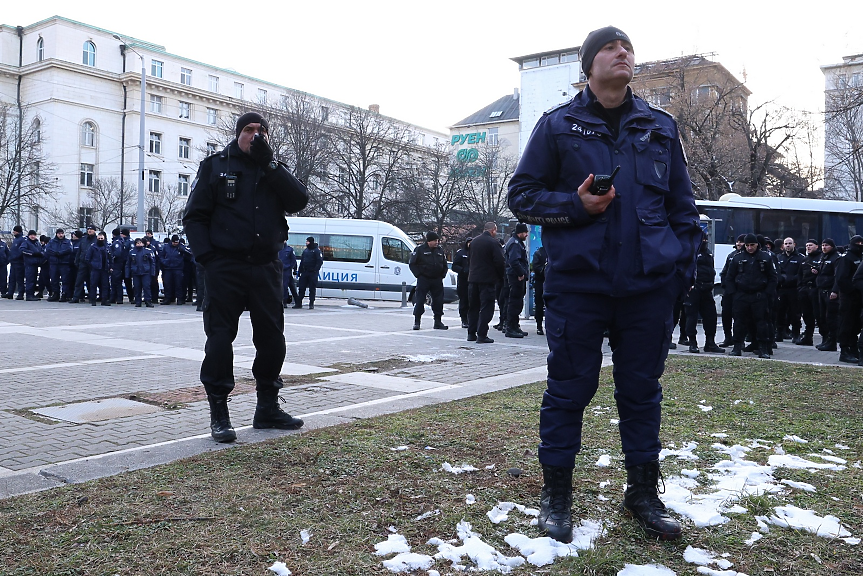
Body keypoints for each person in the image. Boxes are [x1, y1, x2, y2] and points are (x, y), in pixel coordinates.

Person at [507, 26, 701, 542]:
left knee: (641, 393)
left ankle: (642, 493)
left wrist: (677, 271)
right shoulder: (558, 126)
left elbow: (684, 210)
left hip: (647, 289)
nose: (623, 53)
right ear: (589, 65)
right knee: (569, 391)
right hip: (579, 286)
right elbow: (521, 196)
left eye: (628, 48)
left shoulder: (660, 127)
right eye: (611, 48)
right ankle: (557, 497)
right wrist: (575, 205)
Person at [183, 111, 308, 443]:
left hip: (266, 266)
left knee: (272, 340)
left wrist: (270, 165)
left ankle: (267, 408)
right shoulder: (215, 166)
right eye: (249, 130)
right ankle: (220, 415)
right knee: (221, 342)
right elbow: (194, 217)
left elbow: (299, 200)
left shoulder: (272, 168)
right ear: (238, 133)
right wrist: (207, 258)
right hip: (225, 267)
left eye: (261, 130)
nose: (255, 135)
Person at [726, 233, 777, 358]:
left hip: (759, 295)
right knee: (739, 322)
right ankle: (737, 346)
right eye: (747, 245)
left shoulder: (766, 258)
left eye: (752, 245)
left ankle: (763, 348)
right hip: (741, 295)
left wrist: (767, 293)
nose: (749, 248)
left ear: (757, 245)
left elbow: (773, 277)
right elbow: (729, 277)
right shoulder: (737, 258)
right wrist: (733, 293)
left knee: (762, 323)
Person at [684, 232, 724, 353]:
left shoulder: (708, 254)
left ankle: (710, 343)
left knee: (711, 317)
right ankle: (692, 342)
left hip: (706, 290)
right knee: (691, 317)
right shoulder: (690, 252)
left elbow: (711, 271)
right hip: (694, 289)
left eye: (706, 239)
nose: (705, 241)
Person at [466, 222, 505, 343]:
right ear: (493, 230)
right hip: (487, 280)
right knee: (486, 308)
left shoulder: (474, 242)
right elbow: (500, 262)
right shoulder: (493, 243)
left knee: (473, 307)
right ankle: (482, 334)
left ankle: (471, 333)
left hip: (473, 279)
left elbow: (470, 259)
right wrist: (501, 277)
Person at [409, 231, 450, 330]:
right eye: (435, 240)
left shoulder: (440, 250)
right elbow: (412, 264)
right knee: (420, 301)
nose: (437, 242)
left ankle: (438, 322)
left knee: (438, 301)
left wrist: (442, 275)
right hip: (424, 279)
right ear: (429, 241)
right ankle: (417, 322)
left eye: (438, 240)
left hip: (437, 279)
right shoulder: (419, 250)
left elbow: (444, 264)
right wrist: (419, 275)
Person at [832, 235, 863, 363]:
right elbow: (841, 279)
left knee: (855, 325)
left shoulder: (859, 257)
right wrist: (853, 290)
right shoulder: (846, 258)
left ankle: (853, 348)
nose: (860, 245)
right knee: (846, 323)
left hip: (858, 297)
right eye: (858, 243)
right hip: (848, 297)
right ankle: (844, 351)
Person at [718, 234, 745, 346]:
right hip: (729, 291)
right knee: (726, 315)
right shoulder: (731, 255)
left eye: (741, 242)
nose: (738, 244)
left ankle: (739, 340)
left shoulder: (747, 256)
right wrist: (726, 286)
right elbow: (724, 273)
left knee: (740, 317)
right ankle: (728, 337)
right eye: (737, 241)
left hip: (740, 292)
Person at [503, 223, 530, 338]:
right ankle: (510, 327)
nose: (527, 235)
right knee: (514, 302)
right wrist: (520, 273)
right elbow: (514, 261)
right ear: (520, 233)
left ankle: (515, 325)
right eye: (525, 232)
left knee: (517, 302)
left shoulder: (516, 242)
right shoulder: (514, 244)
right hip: (516, 276)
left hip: (516, 275)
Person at [775, 237, 803, 342]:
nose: (788, 245)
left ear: (794, 244)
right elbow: (776, 271)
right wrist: (781, 278)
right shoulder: (779, 257)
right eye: (786, 243)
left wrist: (791, 279)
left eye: (790, 243)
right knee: (780, 312)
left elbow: (801, 274)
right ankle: (779, 333)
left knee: (795, 313)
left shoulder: (800, 258)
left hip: (794, 289)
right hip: (782, 289)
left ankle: (796, 334)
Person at [815, 239, 840, 351]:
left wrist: (835, 291)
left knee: (831, 318)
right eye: (823, 245)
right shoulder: (823, 257)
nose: (824, 247)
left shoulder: (836, 258)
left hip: (830, 291)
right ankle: (825, 340)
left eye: (827, 245)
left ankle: (832, 341)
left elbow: (837, 277)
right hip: (821, 290)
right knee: (822, 317)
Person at [796, 239, 821, 346]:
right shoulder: (804, 259)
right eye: (807, 245)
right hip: (805, 290)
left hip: (815, 290)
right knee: (807, 314)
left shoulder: (821, 258)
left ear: (816, 246)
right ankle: (808, 336)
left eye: (810, 245)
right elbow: (800, 275)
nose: (808, 247)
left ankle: (826, 338)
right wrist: (800, 287)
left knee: (818, 314)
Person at [126, 238, 157, 307]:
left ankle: (148, 301)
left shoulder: (148, 251)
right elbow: (128, 263)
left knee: (146, 287)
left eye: (140, 243)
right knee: (137, 287)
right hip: (136, 272)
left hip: (146, 272)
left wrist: (153, 272)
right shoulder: (131, 252)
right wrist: (127, 274)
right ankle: (138, 302)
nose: (139, 244)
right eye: (137, 243)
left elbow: (152, 263)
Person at [294, 236, 323, 310]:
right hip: (305, 272)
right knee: (301, 288)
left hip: (312, 273)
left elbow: (319, 261)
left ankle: (311, 303)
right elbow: (302, 261)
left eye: (307, 241)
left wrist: (315, 270)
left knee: (312, 289)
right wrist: (299, 271)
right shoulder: (306, 251)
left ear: (311, 242)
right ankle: (298, 303)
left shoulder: (316, 251)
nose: (306, 243)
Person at [45, 229, 74, 301]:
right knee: (54, 279)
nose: (60, 235)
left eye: (62, 233)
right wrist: (55, 253)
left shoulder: (67, 241)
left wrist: (61, 253)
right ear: (56, 234)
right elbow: (48, 250)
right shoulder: (52, 242)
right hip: (54, 263)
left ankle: (65, 294)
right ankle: (56, 294)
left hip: (64, 263)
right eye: (59, 233)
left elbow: (70, 250)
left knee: (65, 280)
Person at [71, 225, 97, 303]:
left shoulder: (96, 240)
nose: (90, 231)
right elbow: (79, 251)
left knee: (91, 281)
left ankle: (92, 297)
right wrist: (77, 261)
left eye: (91, 229)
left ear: (94, 231)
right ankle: (76, 297)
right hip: (83, 263)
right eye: (88, 229)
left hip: (92, 263)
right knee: (79, 281)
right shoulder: (83, 239)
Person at [160, 235, 189, 305]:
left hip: (178, 268)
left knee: (178, 284)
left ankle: (179, 299)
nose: (175, 244)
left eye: (176, 242)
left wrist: (183, 251)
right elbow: (161, 256)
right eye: (174, 242)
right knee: (167, 284)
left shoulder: (181, 246)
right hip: (168, 268)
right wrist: (165, 262)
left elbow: (188, 254)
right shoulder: (166, 247)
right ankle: (168, 299)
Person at [86, 232, 111, 306]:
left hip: (105, 269)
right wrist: (92, 265)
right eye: (99, 238)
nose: (100, 239)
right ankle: (93, 300)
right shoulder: (93, 247)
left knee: (105, 285)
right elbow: (87, 258)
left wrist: (111, 267)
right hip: (95, 269)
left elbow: (110, 258)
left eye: (102, 238)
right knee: (93, 285)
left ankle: (104, 300)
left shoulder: (107, 247)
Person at [452, 237, 472, 328]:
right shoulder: (461, 253)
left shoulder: (476, 253)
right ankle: (464, 319)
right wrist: (463, 270)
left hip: (473, 280)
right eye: (469, 242)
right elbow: (454, 266)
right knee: (464, 300)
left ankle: (471, 319)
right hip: (463, 281)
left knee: (473, 301)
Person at [21, 230, 44, 301]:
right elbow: (23, 250)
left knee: (34, 279)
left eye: (34, 235)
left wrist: (41, 254)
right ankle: (29, 295)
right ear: (29, 235)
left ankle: (32, 294)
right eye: (31, 235)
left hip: (36, 264)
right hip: (29, 263)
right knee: (30, 279)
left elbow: (41, 250)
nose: (33, 236)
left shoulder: (37, 243)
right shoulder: (26, 242)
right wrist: (32, 253)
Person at [278, 239, 299, 308]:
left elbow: (293, 260)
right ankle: (297, 301)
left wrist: (291, 268)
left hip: (286, 270)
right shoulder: (278, 248)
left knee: (285, 286)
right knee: (291, 286)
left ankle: (284, 302)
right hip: (280, 270)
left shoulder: (289, 249)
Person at [531, 245, 547, 335]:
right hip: (540, 281)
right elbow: (536, 267)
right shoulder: (539, 253)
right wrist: (544, 269)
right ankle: (539, 326)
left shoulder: (553, 251)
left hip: (551, 282)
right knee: (539, 305)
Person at [6, 226, 26, 299]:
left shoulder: (22, 240)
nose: (13, 232)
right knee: (12, 278)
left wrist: (15, 257)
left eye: (14, 231)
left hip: (19, 262)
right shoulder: (15, 239)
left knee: (19, 279)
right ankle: (10, 293)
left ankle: (20, 294)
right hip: (13, 262)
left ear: (18, 231)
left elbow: (21, 251)